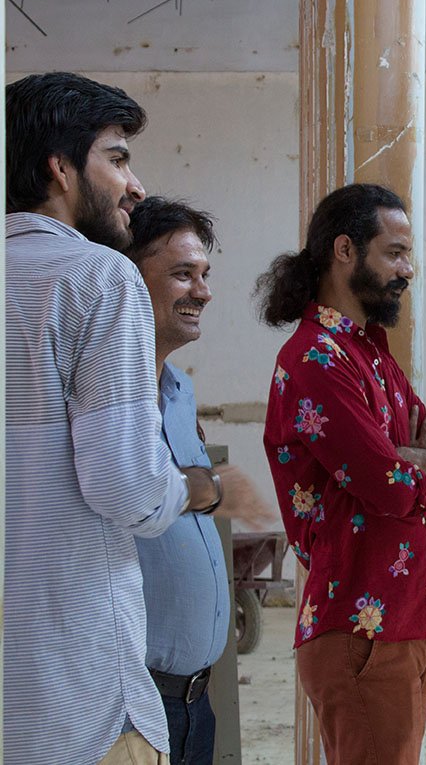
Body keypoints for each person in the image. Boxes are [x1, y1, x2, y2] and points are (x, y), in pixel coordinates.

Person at [4, 72, 259, 765]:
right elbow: (129, 490)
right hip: (83, 699)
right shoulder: (97, 275)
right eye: (116, 158)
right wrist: (197, 488)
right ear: (60, 168)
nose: (134, 185)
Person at [256, 183, 426, 764]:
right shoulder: (315, 358)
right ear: (345, 250)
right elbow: (393, 489)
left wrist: (410, 458)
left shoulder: (370, 353)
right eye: (395, 253)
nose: (408, 270)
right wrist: (410, 464)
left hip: (399, 622)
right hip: (360, 634)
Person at [126, 197, 269, 765]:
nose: (203, 292)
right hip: (134, 702)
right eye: (183, 274)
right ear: (124, 278)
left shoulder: (181, 395)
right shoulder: (101, 398)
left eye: (205, 275)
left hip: (194, 699)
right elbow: (137, 491)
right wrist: (209, 488)